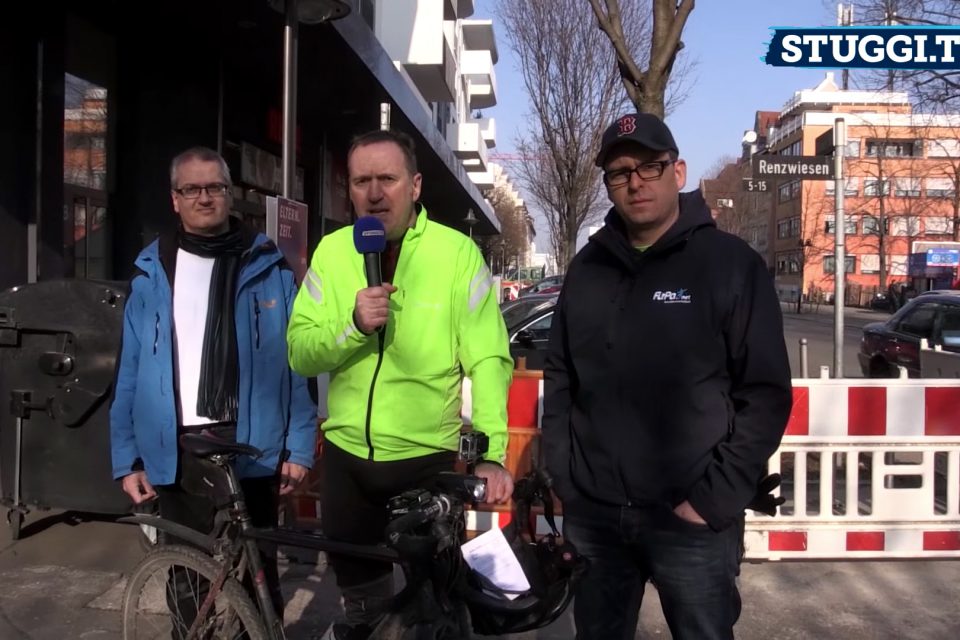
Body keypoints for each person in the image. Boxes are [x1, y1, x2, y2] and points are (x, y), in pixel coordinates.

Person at [541, 113, 793, 640]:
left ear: (678, 172)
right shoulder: (587, 270)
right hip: (597, 516)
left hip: (693, 518)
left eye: (650, 167)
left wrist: (712, 500)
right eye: (619, 172)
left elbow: (765, 395)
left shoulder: (730, 266)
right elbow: (562, 376)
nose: (635, 182)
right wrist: (566, 478)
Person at [286, 129, 514, 640]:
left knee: (433, 615)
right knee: (362, 611)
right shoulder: (331, 251)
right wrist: (352, 326)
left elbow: (489, 358)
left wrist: (492, 451)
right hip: (346, 461)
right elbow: (300, 351)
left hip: (424, 464)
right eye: (362, 180)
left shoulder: (456, 255)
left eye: (386, 179)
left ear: (414, 186)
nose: (373, 192)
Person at [109, 146, 317, 629]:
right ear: (175, 199)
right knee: (185, 577)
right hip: (177, 448)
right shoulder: (150, 271)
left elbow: (297, 365)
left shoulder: (270, 266)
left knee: (260, 574)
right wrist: (127, 458)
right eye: (192, 189)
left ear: (230, 194)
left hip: (256, 443)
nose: (205, 197)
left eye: (215, 187)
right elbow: (130, 370)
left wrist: (300, 448)